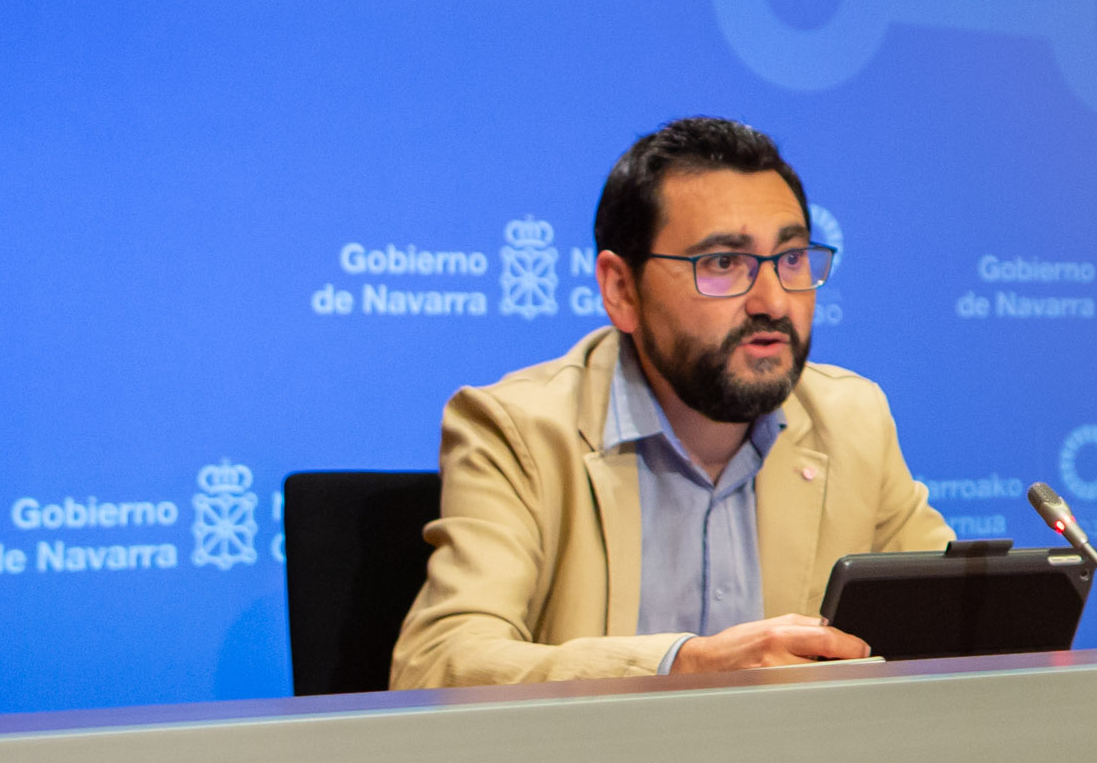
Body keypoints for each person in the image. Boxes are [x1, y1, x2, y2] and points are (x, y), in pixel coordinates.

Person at [391, 116, 952, 684]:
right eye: (723, 263)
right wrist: (681, 667)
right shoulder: (520, 431)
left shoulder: (852, 419)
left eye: (790, 259)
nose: (773, 301)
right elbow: (436, 668)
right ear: (622, 290)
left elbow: (959, 624)